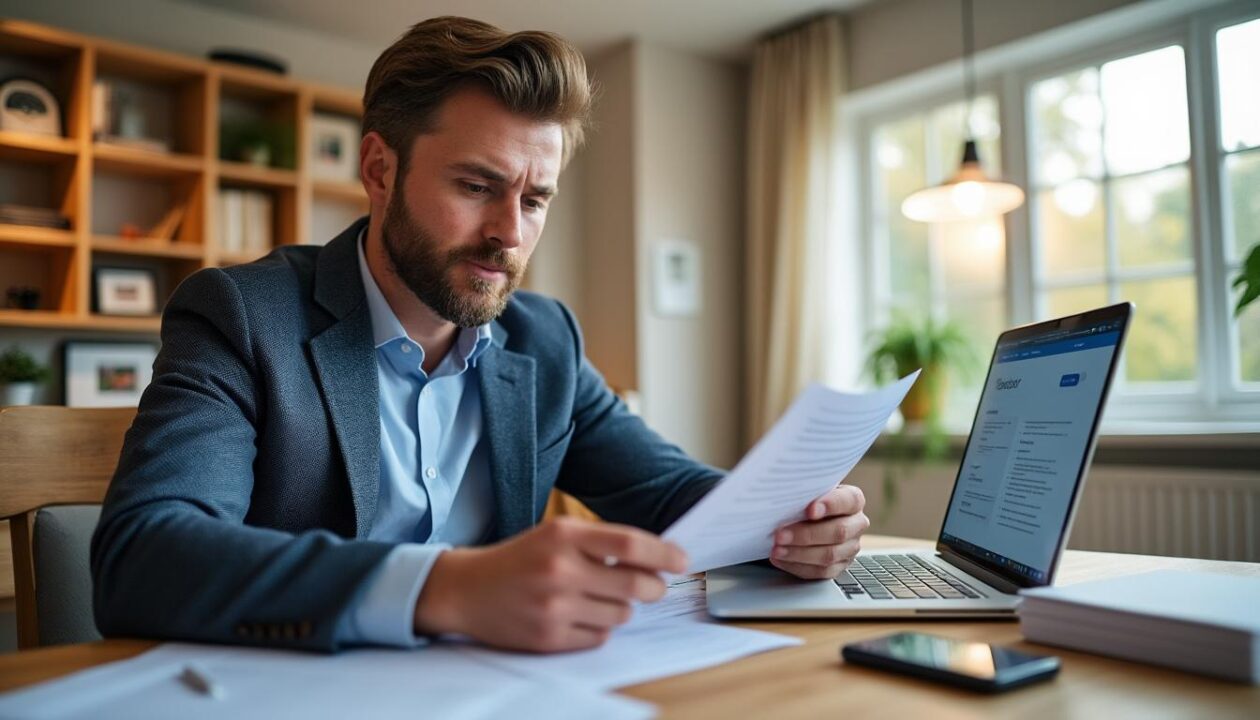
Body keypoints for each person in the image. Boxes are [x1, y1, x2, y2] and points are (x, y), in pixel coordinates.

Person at [90, 16, 869, 654]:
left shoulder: (544, 340)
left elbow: (666, 491)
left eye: (535, 200)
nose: (508, 233)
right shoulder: (242, 316)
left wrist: (785, 524)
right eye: (476, 186)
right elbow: (145, 557)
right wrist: (449, 586)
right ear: (380, 168)